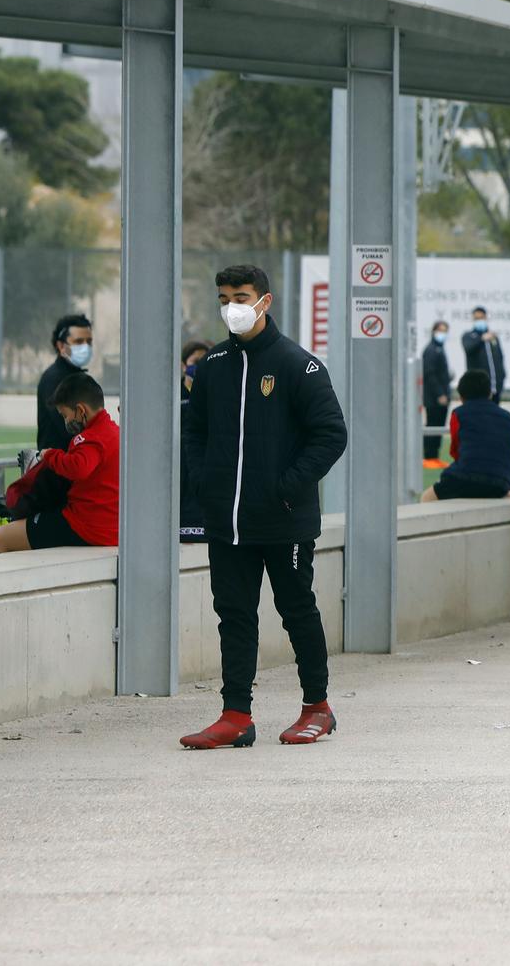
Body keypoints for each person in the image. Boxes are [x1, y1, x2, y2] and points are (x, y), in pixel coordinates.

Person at [180, 263, 348, 750]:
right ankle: (236, 715)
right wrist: (204, 482)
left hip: (285, 521)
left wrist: (286, 488)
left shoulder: (299, 365)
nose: (232, 306)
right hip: (226, 523)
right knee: (233, 615)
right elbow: (195, 432)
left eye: (241, 296)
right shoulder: (211, 367)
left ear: (265, 301)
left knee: (297, 610)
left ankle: (317, 707)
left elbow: (331, 434)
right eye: (224, 297)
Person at [0, 373, 120, 554]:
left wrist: (50, 455)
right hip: (109, 529)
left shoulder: (90, 439)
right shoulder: (115, 432)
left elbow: (79, 467)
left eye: (65, 415)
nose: (66, 422)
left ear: (81, 410)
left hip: (85, 526)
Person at [420, 369, 510, 502]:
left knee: (426, 498)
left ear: (461, 397)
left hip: (466, 477)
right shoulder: (507, 416)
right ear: (490, 394)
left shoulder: (458, 414)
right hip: (501, 483)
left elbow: (455, 451)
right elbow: (509, 447)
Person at [36, 314, 93, 451]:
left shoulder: (80, 378)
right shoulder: (53, 380)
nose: (85, 347)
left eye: (89, 341)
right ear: (61, 345)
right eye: (79, 342)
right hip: (57, 469)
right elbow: (70, 429)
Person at [180, 340, 211, 543]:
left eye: (204, 361)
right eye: (195, 361)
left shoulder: (217, 398)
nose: (199, 366)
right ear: (184, 365)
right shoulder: (170, 398)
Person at [421, 321, 452, 464]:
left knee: (439, 425)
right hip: (434, 398)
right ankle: (429, 456)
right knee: (433, 424)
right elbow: (429, 374)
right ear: (433, 331)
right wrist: (440, 394)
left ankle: (435, 456)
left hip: (442, 396)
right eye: (440, 330)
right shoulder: (431, 350)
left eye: (445, 330)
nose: (443, 334)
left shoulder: (440, 349)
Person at [461, 306, 505, 400]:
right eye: (477, 319)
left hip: (495, 387)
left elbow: (500, 357)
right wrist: (481, 339)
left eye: (481, 318)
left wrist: (502, 376)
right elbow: (468, 349)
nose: (479, 321)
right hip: (478, 388)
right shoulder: (469, 336)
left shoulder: (493, 337)